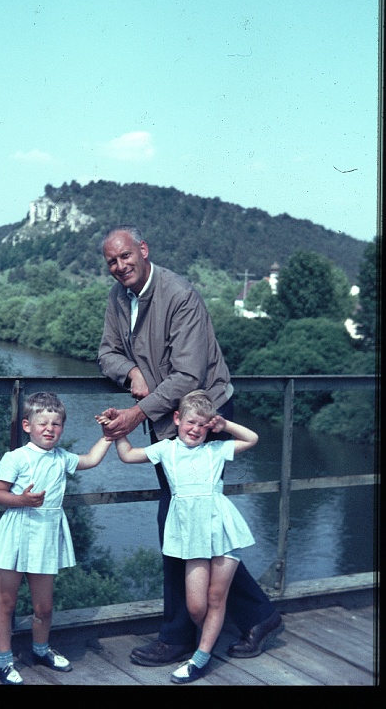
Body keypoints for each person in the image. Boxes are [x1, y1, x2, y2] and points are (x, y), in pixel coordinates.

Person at [97, 225, 282, 666]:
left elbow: (187, 376)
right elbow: (105, 352)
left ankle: (178, 635)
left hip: (203, 419)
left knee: (180, 524)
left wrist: (136, 413)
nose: (120, 266)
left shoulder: (180, 294)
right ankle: (258, 615)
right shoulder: (117, 299)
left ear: (144, 250)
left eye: (126, 256)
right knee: (187, 524)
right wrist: (130, 373)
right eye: (111, 262)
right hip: (167, 420)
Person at [99, 390, 259, 684]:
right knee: (197, 604)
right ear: (177, 419)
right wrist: (116, 429)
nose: (196, 429)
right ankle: (210, 637)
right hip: (190, 535)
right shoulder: (166, 449)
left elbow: (252, 439)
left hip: (221, 527)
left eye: (203, 424)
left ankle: (200, 658)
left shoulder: (215, 450)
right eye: (191, 422)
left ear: (209, 425)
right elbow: (127, 455)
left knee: (216, 596)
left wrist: (226, 426)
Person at [0, 392, 113, 685]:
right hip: (16, 532)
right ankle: (4, 662)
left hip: (46, 535)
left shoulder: (62, 458)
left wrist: (108, 436)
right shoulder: (16, 457)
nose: (49, 429)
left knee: (44, 607)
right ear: (27, 425)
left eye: (56, 424)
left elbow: (91, 460)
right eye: (43, 423)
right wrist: (23, 500)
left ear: (62, 428)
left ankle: (40, 650)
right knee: (6, 602)